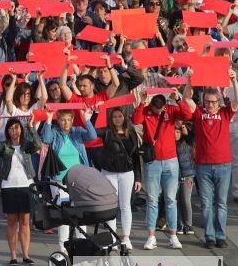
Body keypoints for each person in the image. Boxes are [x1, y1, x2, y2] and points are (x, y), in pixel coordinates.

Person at [183, 71, 238, 249]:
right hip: (203, 165)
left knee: (221, 202)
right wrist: (190, 81)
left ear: (219, 101)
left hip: (223, 164)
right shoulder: (199, 114)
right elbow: (186, 98)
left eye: (214, 101)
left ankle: (220, 235)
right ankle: (209, 236)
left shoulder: (225, 113)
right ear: (203, 101)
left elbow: (237, 101)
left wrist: (234, 80)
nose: (211, 104)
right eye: (207, 101)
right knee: (206, 203)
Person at [133, 89, 193, 250]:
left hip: (171, 161)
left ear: (164, 107)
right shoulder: (146, 110)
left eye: (159, 110)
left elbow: (188, 116)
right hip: (152, 161)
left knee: (170, 199)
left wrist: (178, 99)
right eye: (155, 110)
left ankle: (173, 236)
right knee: (152, 200)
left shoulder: (172, 110)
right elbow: (136, 120)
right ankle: (151, 237)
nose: (157, 113)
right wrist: (142, 102)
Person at [41, 108, 97, 253]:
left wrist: (86, 120)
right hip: (59, 180)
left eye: (68, 120)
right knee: (64, 213)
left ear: (72, 120)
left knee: (80, 213)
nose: (66, 123)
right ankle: (62, 247)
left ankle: (82, 244)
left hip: (78, 179)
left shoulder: (77, 132)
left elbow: (92, 135)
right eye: (63, 120)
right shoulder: (54, 133)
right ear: (58, 121)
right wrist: (48, 120)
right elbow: (45, 139)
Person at [0, 117, 41, 265]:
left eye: (17, 127)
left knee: (25, 221)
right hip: (8, 186)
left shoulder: (26, 145)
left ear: (21, 130)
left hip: (26, 185)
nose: (15, 131)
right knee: (12, 221)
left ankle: (25, 254)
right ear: (8, 131)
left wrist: (30, 127)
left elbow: (38, 144)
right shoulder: (4, 146)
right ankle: (13, 255)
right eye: (11, 128)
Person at [97, 107, 142, 251]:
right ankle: (112, 237)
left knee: (125, 205)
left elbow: (135, 156)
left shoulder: (131, 132)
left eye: (119, 116)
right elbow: (93, 131)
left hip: (127, 173)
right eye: (114, 117)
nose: (117, 119)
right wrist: (97, 113)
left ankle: (126, 237)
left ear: (124, 117)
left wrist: (138, 178)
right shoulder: (107, 132)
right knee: (111, 206)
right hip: (109, 172)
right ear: (111, 119)